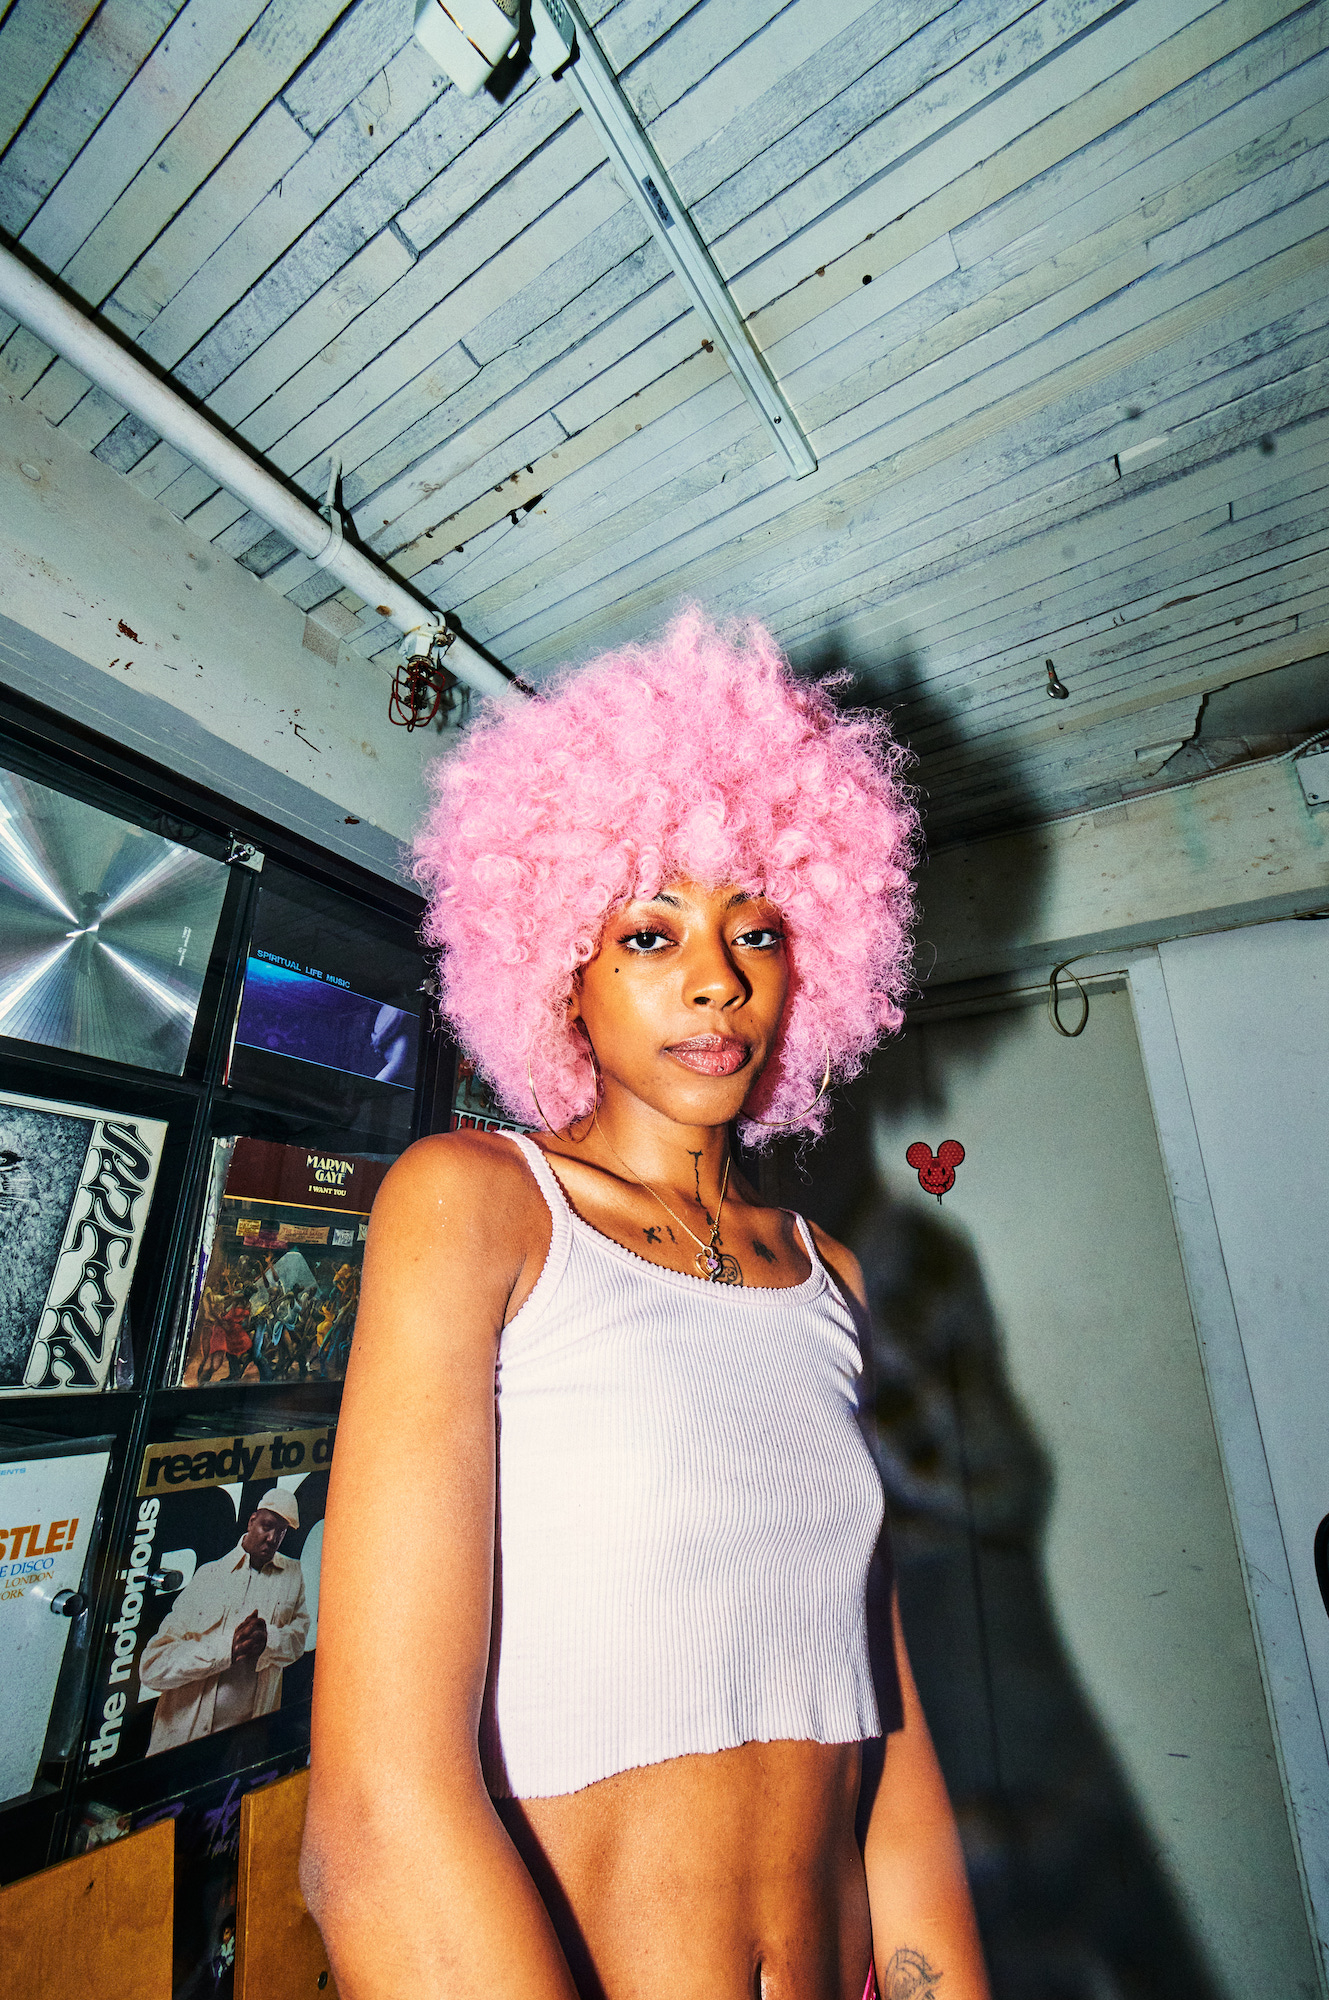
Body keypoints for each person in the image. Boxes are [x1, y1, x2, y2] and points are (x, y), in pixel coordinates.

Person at [303, 614, 990, 2000]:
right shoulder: (476, 1206)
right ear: (558, 959)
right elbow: (372, 1832)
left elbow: (893, 1752)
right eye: (648, 930)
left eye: (758, 929)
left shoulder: (829, 1273)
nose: (715, 978)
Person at [139, 1488, 310, 1754]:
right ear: (252, 1521)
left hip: (244, 1749)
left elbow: (298, 1641)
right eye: (267, 1526)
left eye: (282, 1531)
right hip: (185, 1747)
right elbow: (152, 1668)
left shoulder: (293, 1576)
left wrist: (269, 1640)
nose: (273, 1538)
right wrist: (227, 1649)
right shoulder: (210, 1576)